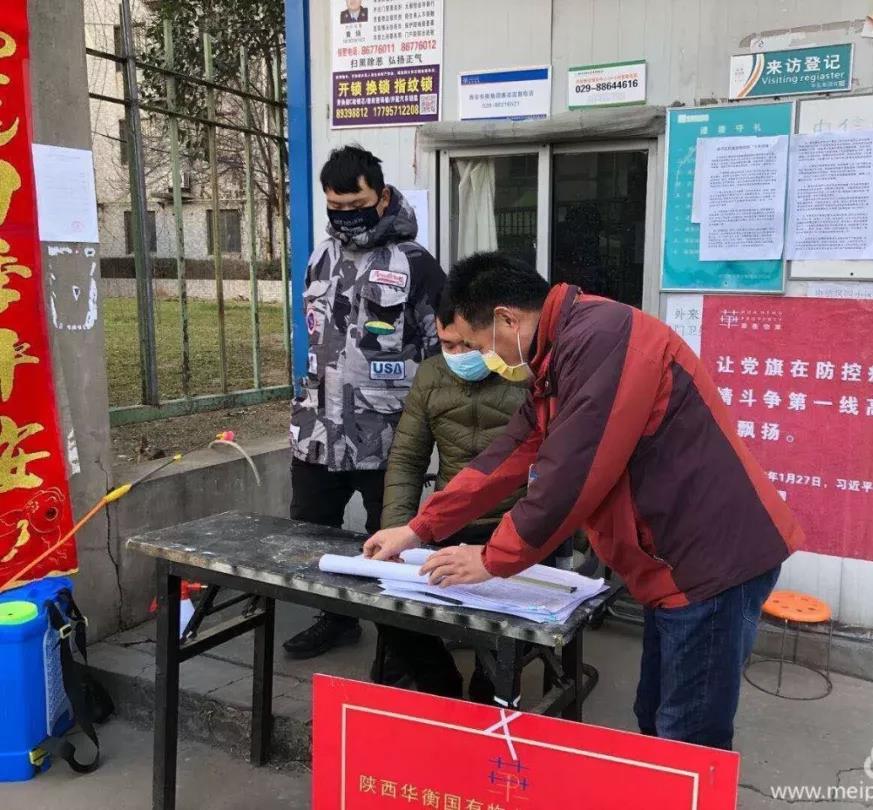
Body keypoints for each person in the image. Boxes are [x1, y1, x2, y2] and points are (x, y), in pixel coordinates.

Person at [363, 252, 804, 751]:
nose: (481, 357)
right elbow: (509, 453)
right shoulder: (558, 354)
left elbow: (569, 479)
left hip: (711, 564)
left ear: (507, 319)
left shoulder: (602, 341)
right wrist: (419, 528)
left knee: (686, 736)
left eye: (479, 344)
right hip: (670, 564)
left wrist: (491, 558)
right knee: (656, 718)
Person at [286, 145, 444, 659]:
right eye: (335, 207)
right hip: (317, 432)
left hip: (388, 436)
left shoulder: (415, 264)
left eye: (355, 205)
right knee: (313, 537)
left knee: (392, 543)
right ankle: (336, 620)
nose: (345, 216)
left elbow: (444, 350)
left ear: (382, 197)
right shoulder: (320, 257)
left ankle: (401, 645)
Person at [375, 291, 528, 700]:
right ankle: (438, 683)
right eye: (447, 345)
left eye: (467, 345)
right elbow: (407, 459)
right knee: (382, 596)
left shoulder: (525, 374)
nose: (459, 355)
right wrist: (398, 531)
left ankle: (486, 696)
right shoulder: (430, 376)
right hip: (446, 523)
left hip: (513, 527)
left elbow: (551, 469)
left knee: (504, 626)